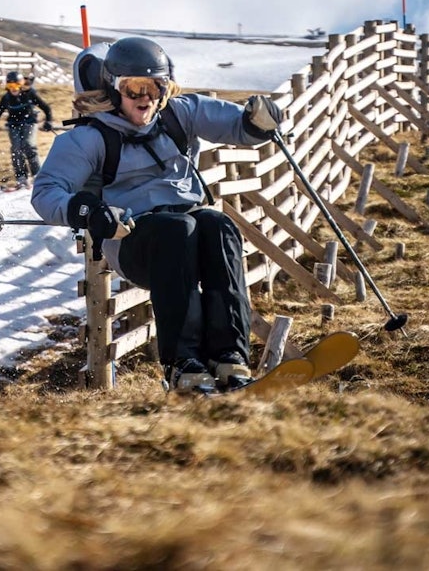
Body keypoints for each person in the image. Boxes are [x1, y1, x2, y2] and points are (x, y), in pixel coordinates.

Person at [30, 37, 284, 393]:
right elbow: (46, 192)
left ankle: (229, 359)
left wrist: (259, 121)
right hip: (133, 241)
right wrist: (88, 211)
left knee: (219, 225)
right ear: (113, 87)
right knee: (176, 229)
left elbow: (238, 126)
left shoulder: (178, 114)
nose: (145, 97)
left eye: (155, 86)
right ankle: (183, 365)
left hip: (188, 230)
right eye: (133, 87)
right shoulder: (90, 138)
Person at [0, 71, 56, 190]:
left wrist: (49, 121)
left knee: (28, 145)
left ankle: (37, 175)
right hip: (14, 125)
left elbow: (46, 107)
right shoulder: (6, 98)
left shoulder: (29, 94)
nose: (13, 89)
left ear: (21, 85)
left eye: (16, 86)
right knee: (16, 148)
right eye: (10, 86)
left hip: (29, 122)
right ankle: (21, 177)